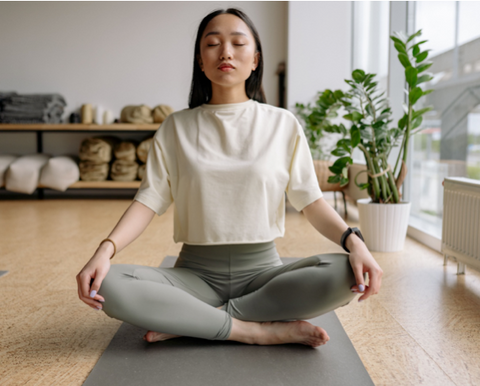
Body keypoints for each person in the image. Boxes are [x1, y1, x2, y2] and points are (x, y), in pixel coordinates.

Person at [76, 8, 383, 348]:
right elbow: (147, 201)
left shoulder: (283, 124)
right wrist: (104, 251)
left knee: (345, 273)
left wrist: (356, 243)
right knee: (107, 282)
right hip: (193, 276)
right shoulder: (176, 127)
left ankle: (197, 321)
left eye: (238, 43)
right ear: (200, 60)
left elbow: (311, 201)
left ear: (255, 60)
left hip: (265, 274)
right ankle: (254, 330)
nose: (225, 52)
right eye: (213, 44)